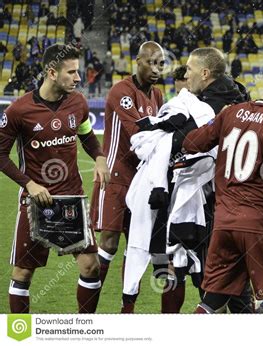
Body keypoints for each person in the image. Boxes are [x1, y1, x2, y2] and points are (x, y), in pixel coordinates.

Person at [183, 57, 263, 314]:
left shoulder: (230, 113)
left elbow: (191, 143)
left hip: (225, 224)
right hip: (261, 224)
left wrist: (216, 121)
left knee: (213, 301)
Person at [0, 44, 110, 313]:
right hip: (37, 203)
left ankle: (85, 328)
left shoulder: (78, 103)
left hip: (71, 198)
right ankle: (19, 336)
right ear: (52, 72)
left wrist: (98, 156)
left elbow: (86, 134)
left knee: (90, 266)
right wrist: (29, 183)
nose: (78, 78)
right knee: (23, 274)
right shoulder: (19, 110)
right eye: (71, 72)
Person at [158, 47, 251, 314]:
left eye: (189, 69)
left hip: (213, 201)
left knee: (209, 278)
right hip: (242, 200)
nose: (186, 76)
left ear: (205, 73)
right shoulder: (241, 95)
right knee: (235, 284)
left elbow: (187, 144)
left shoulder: (205, 108)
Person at [89, 41, 164, 313]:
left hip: (141, 180)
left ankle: (127, 311)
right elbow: (140, 132)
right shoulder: (121, 90)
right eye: (151, 62)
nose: (156, 69)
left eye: (160, 64)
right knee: (107, 244)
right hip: (115, 177)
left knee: (137, 245)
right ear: (138, 61)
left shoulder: (157, 95)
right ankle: (88, 313)